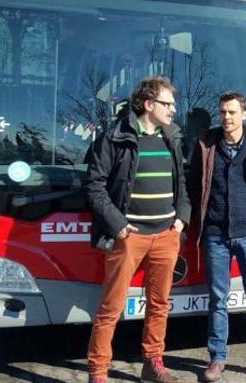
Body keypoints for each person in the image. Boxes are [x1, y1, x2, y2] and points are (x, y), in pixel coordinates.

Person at [84, 76, 190, 383]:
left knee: (159, 304)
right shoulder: (115, 137)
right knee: (111, 307)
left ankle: (152, 363)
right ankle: (99, 372)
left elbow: (181, 184)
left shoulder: (172, 137)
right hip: (129, 237)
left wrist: (181, 218)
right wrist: (118, 225)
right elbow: (94, 186)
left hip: (166, 234)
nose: (173, 110)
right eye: (167, 104)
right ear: (148, 104)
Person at [187, 91, 246, 383]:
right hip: (215, 235)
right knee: (217, 300)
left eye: (231, 112)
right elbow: (192, 185)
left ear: (244, 114)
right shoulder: (205, 145)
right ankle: (217, 359)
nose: (226, 118)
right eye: (222, 113)